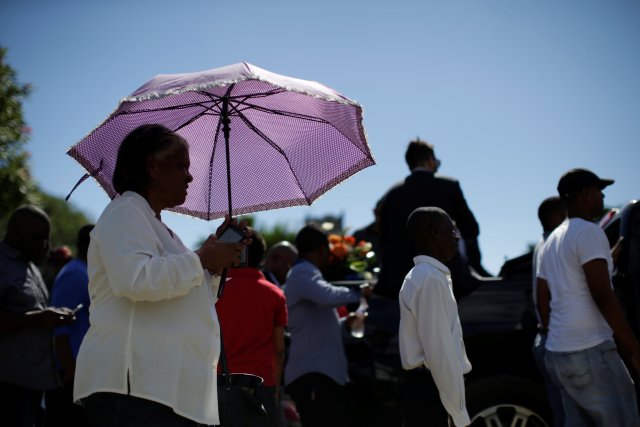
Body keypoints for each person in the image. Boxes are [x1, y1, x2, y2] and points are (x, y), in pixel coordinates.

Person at [73, 124, 247, 427]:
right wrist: (202, 260)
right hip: (134, 388)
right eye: (181, 166)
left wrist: (214, 265)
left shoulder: (156, 227)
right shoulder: (126, 210)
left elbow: (184, 295)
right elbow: (136, 280)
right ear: (152, 166)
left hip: (158, 390)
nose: (190, 176)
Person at [537, 168, 640, 426]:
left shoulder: (549, 242)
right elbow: (603, 295)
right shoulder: (589, 232)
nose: (603, 197)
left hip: (559, 352)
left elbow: (543, 297)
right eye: (599, 191)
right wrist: (634, 348)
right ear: (585, 193)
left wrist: (555, 334)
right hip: (591, 352)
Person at [377, 138, 488, 300]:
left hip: (401, 281)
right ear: (430, 160)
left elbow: (383, 238)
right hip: (447, 278)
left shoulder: (392, 194)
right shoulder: (449, 185)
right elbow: (471, 229)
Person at [284, 224, 373, 427]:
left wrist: (345, 322)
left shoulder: (305, 274)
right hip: (314, 375)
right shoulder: (302, 272)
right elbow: (326, 296)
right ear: (322, 251)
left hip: (321, 374)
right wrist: (358, 292)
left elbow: (318, 322)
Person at [0, 205, 76, 427]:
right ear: (15, 232)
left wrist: (52, 317)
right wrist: (39, 319)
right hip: (9, 389)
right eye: (38, 238)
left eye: (47, 238)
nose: (45, 245)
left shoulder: (29, 265)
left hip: (35, 386)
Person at [398, 207, 472, 427]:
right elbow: (440, 353)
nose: (456, 236)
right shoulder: (430, 278)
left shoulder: (425, 275)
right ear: (434, 233)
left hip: (427, 388)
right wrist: (459, 415)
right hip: (432, 390)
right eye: (451, 229)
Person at [216, 230, 288, 426]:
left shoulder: (213, 291)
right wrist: (277, 391)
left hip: (220, 386)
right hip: (262, 385)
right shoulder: (275, 294)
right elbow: (279, 350)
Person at [45, 224, 95, 427]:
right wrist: (69, 368)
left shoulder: (85, 272)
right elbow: (59, 324)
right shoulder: (75, 273)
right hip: (69, 373)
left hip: (79, 371)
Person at [530, 197, 566, 427]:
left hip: (544, 337)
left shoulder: (541, 245)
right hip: (556, 338)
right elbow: (548, 293)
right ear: (556, 218)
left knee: (562, 414)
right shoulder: (555, 244)